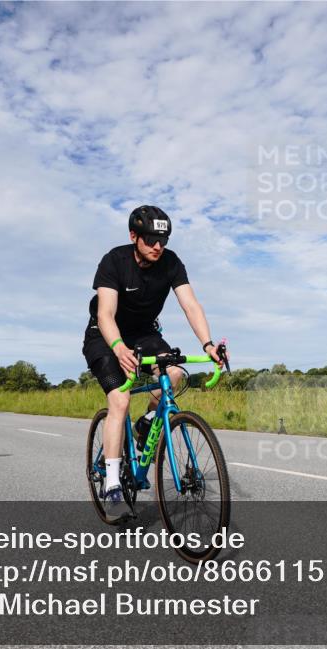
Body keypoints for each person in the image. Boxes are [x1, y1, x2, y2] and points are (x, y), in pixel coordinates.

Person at [82, 205, 227, 524]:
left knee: (174, 373)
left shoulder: (171, 263)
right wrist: (118, 347)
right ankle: (113, 485)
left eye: (163, 239)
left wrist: (207, 344)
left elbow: (190, 304)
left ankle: (148, 420)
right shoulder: (114, 261)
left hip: (145, 334)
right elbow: (106, 314)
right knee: (119, 398)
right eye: (150, 239)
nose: (158, 246)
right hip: (105, 336)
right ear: (134, 236)